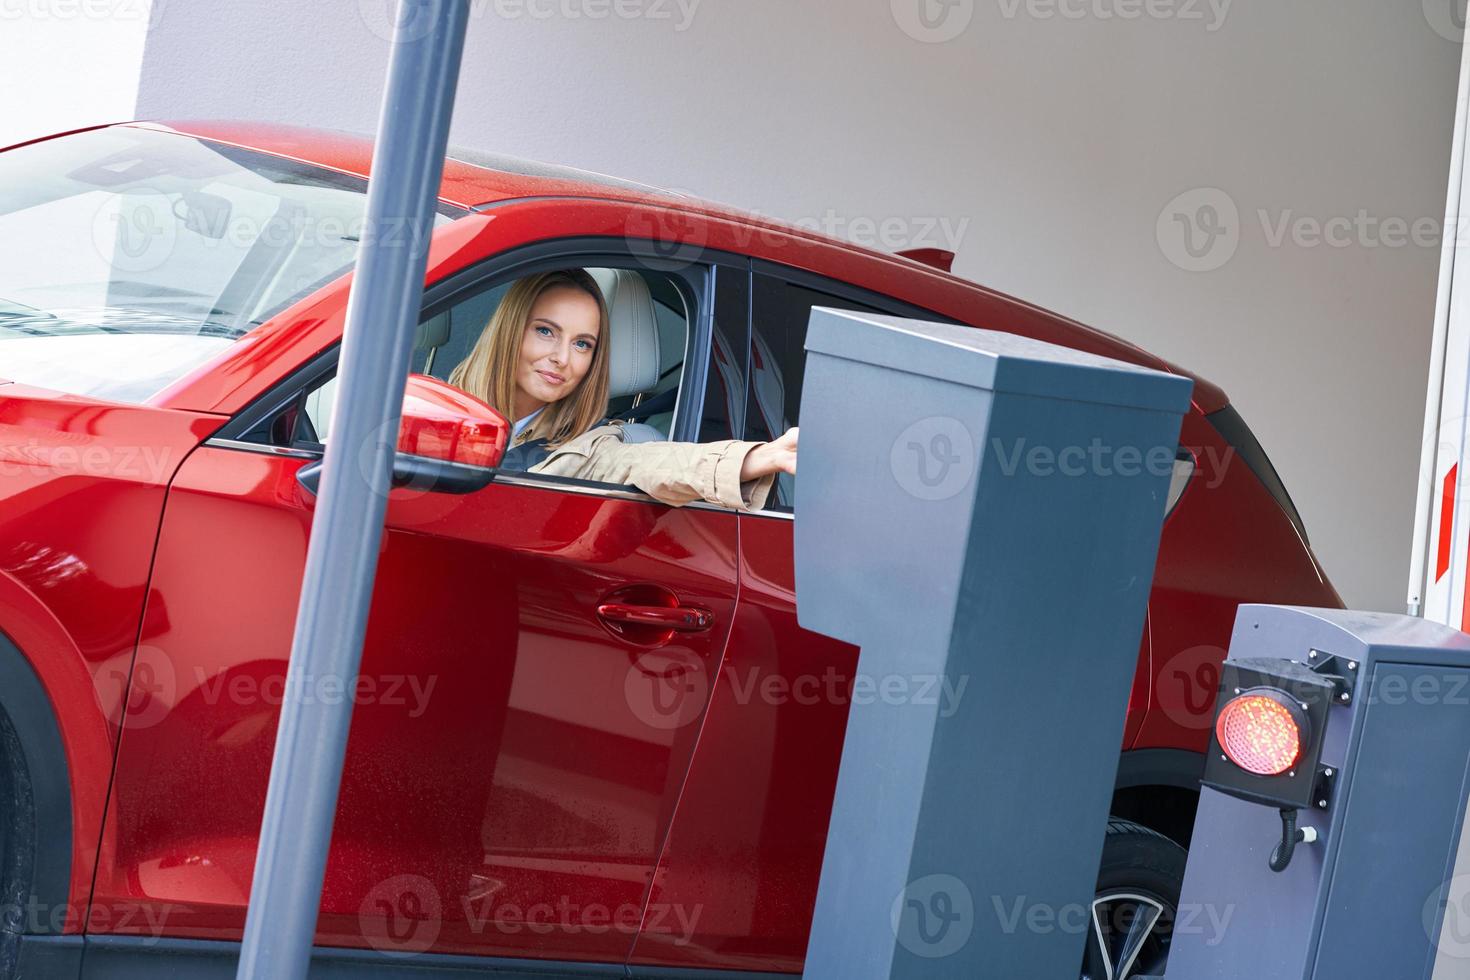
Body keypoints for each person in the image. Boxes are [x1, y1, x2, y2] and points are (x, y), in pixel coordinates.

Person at [447, 269, 798, 511]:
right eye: (546, 331)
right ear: (511, 328)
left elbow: (651, 462)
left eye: (583, 344)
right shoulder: (434, 403)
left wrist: (757, 458)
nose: (562, 358)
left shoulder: (587, 448)